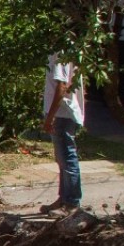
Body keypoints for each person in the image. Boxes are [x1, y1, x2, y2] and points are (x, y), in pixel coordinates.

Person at [42, 53, 85, 212]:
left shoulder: (62, 52)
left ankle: (72, 202)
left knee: (67, 159)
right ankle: (64, 199)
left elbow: (62, 87)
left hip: (62, 113)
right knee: (62, 159)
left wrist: (50, 117)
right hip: (62, 113)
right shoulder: (66, 49)